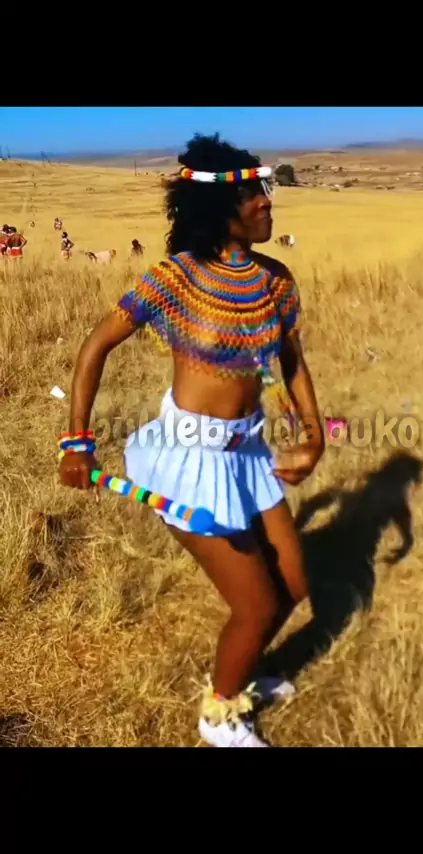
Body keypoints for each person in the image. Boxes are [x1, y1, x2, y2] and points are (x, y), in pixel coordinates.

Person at [58, 133, 324, 748]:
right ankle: (220, 716)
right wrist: (77, 441)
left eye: (264, 190)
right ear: (217, 209)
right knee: (257, 606)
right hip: (188, 460)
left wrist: (314, 437)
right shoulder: (175, 278)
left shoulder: (276, 281)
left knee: (294, 587)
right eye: (252, 194)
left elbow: (291, 362)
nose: (266, 201)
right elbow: (95, 347)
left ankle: (239, 673)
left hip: (247, 452)